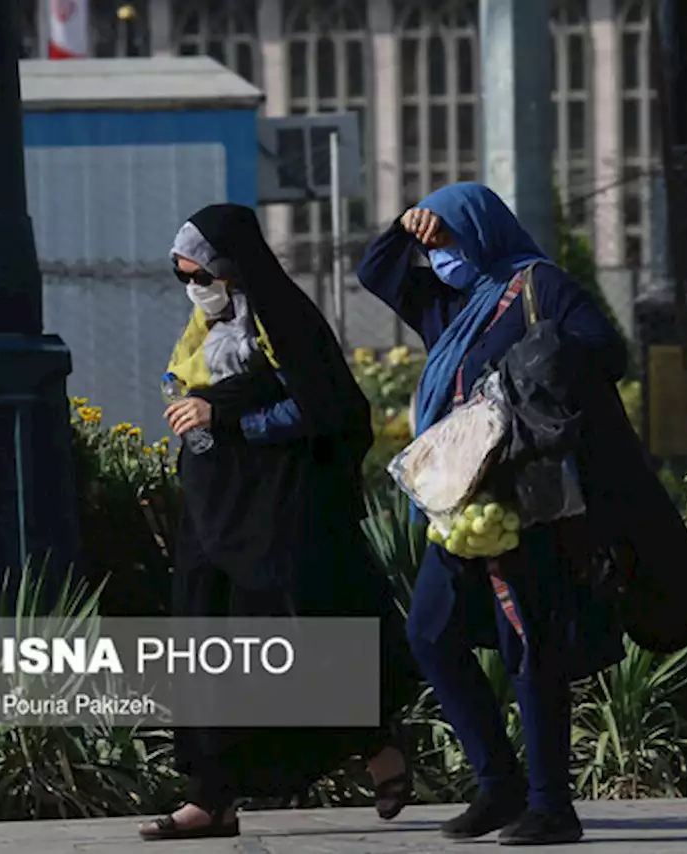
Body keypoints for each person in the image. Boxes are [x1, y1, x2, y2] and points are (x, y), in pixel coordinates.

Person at [356, 182, 636, 846]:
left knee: (528, 649)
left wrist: (522, 379)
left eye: (448, 238)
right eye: (435, 245)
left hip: (520, 500)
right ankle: (498, 784)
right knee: (430, 632)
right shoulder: (452, 305)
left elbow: (607, 353)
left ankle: (550, 805)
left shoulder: (539, 285)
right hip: (459, 503)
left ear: (481, 231)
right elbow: (377, 272)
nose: (440, 255)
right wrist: (405, 227)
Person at [139, 204, 418, 841]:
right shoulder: (202, 330)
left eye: (199, 274)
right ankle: (212, 798)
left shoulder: (286, 320)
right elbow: (191, 389)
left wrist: (229, 418)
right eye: (182, 276)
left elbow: (333, 407)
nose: (193, 288)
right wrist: (197, 413)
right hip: (214, 515)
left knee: (298, 637)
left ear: (232, 269)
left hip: (277, 516)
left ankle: (378, 746)